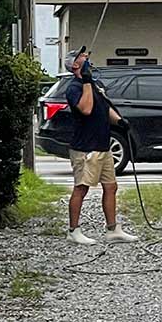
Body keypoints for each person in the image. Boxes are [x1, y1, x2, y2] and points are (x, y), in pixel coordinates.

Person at [64, 49, 138, 245]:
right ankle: (73, 231)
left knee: (111, 186)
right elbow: (86, 109)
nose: (87, 57)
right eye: (82, 56)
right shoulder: (74, 88)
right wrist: (86, 81)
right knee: (81, 188)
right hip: (85, 148)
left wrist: (119, 121)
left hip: (103, 145)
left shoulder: (96, 85)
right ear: (75, 65)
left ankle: (112, 229)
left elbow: (103, 108)